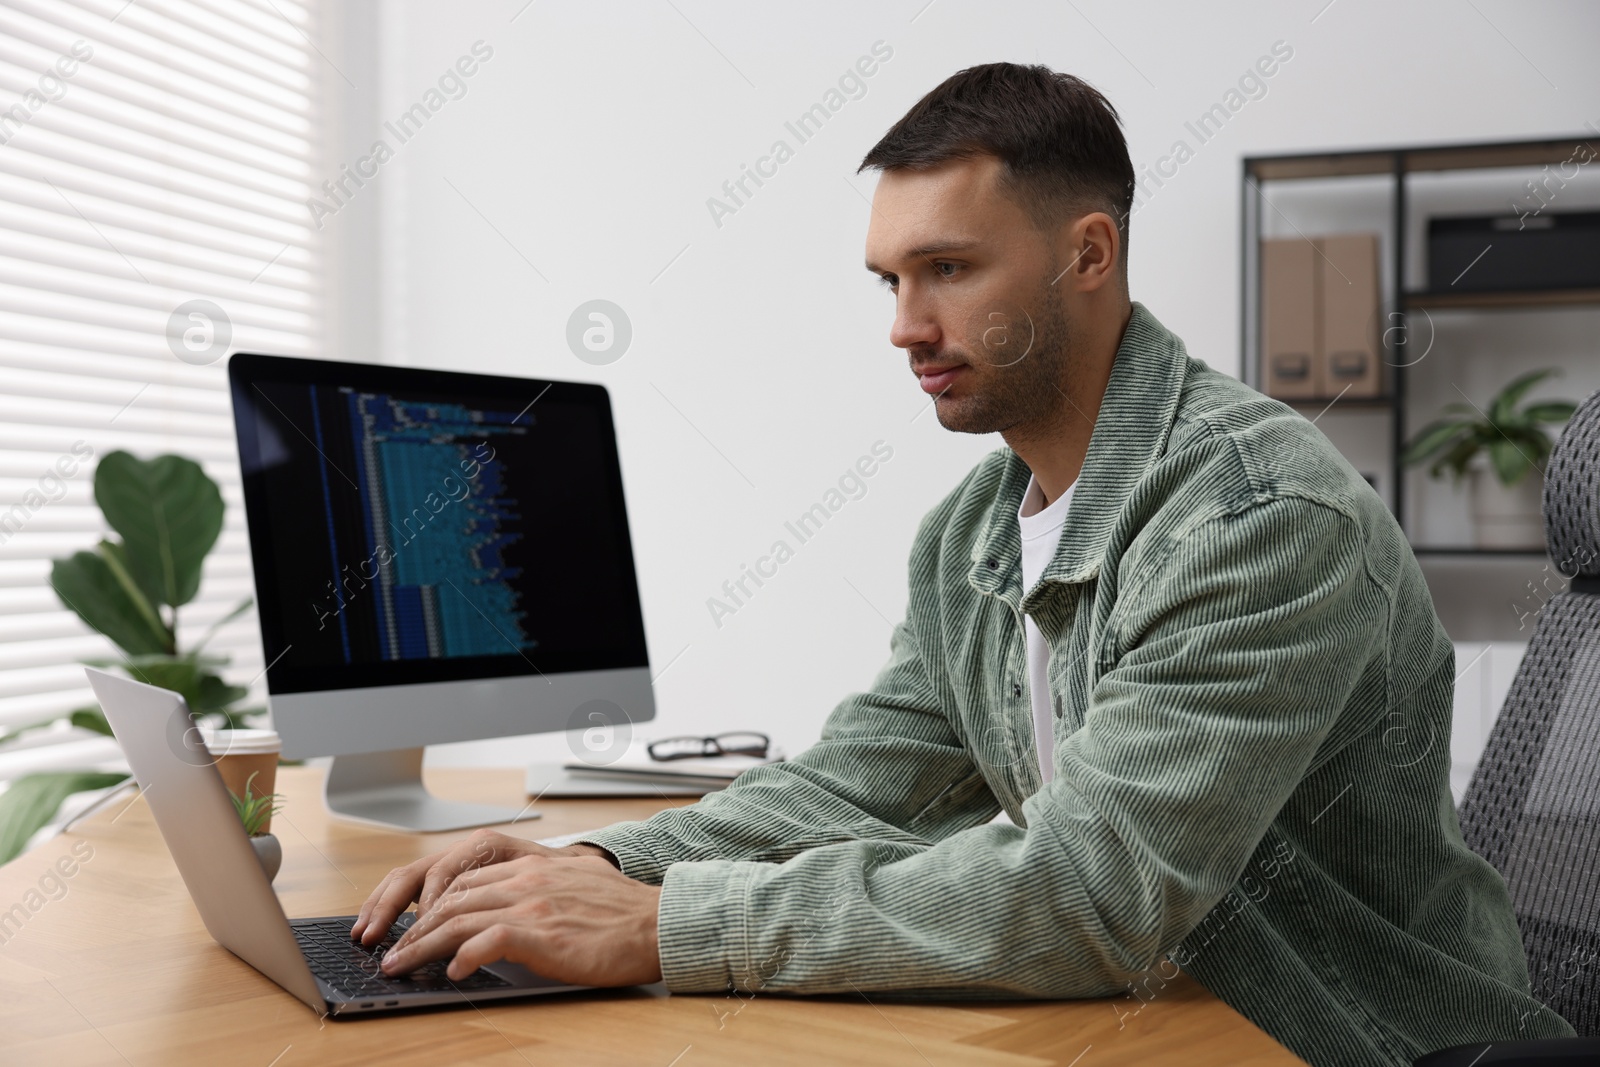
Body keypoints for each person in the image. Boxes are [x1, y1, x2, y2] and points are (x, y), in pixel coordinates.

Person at [352, 63, 1575, 1066]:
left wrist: (668, 922)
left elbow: (1091, 895)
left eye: (948, 268)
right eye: (892, 280)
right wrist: (603, 864)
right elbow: (854, 785)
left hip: (1361, 1041)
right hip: (1159, 1020)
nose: (903, 326)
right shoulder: (968, 537)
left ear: (1087, 255)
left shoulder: (1260, 518)